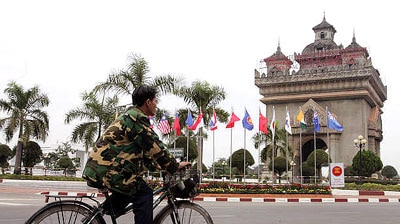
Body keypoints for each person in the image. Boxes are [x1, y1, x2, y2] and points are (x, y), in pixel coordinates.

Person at [82, 85, 190, 224]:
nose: (156, 106)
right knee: (144, 193)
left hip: (100, 168)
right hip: (109, 169)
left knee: (128, 191)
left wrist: (156, 166)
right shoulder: (136, 118)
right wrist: (174, 165)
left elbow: (141, 149)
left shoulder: (130, 116)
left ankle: (96, 216)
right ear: (148, 102)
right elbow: (154, 145)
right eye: (155, 101)